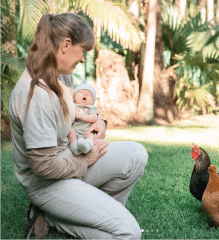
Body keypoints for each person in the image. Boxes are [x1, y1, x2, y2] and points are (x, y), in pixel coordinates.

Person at [9, 13, 148, 239]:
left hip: (69, 160)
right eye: (83, 50)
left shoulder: (62, 76)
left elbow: (78, 113)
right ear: (65, 45)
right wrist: (84, 161)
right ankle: (56, 217)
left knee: (136, 154)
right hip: (46, 184)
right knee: (129, 233)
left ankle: (71, 215)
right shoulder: (36, 95)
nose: (83, 58)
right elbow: (42, 167)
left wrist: (100, 121)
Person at [68, 80, 104, 155]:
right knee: (71, 132)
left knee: (90, 135)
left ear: (93, 101)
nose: (85, 94)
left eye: (90, 95)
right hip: (75, 130)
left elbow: (94, 118)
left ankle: (87, 146)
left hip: (86, 131)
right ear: (73, 97)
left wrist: (82, 116)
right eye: (81, 92)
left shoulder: (91, 108)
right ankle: (75, 148)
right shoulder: (72, 105)